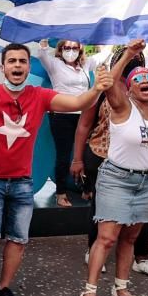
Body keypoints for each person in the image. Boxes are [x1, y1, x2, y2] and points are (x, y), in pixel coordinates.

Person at [0, 43, 112, 296]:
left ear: (28, 66)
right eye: (11, 61)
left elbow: (77, 104)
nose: (17, 66)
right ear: (2, 67)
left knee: (18, 240)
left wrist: (97, 89)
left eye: (22, 61)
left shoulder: (40, 95)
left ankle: (3, 289)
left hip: (22, 182)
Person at [77, 39, 148, 296]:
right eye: (139, 80)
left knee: (131, 237)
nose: (146, 81)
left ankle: (121, 288)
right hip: (116, 178)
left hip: (146, 182)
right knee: (107, 238)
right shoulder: (122, 106)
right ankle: (88, 293)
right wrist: (128, 55)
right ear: (131, 89)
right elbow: (110, 84)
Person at [38, 39, 111, 206]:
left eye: (75, 48)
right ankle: (61, 193)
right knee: (63, 155)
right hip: (61, 115)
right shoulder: (54, 64)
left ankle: (87, 189)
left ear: (80, 49)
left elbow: (104, 55)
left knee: (88, 154)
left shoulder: (86, 65)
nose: (71, 50)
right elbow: (42, 54)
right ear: (61, 49)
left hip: (84, 115)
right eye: (67, 47)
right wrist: (44, 39)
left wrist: (106, 38)